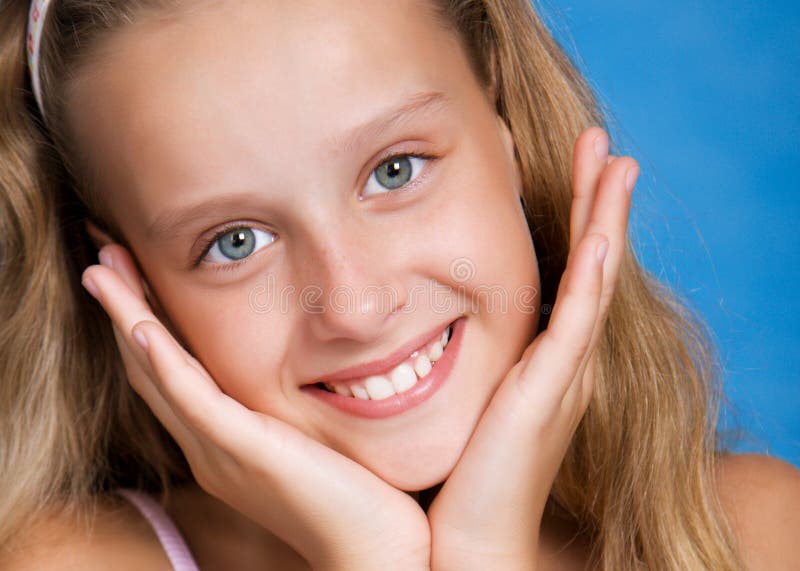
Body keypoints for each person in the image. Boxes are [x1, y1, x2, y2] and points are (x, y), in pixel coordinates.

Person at [0, 0, 797, 569]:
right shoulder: (70, 560)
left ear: (504, 123)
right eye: (234, 242)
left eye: (394, 170)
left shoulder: (759, 534)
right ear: (134, 288)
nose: (356, 303)